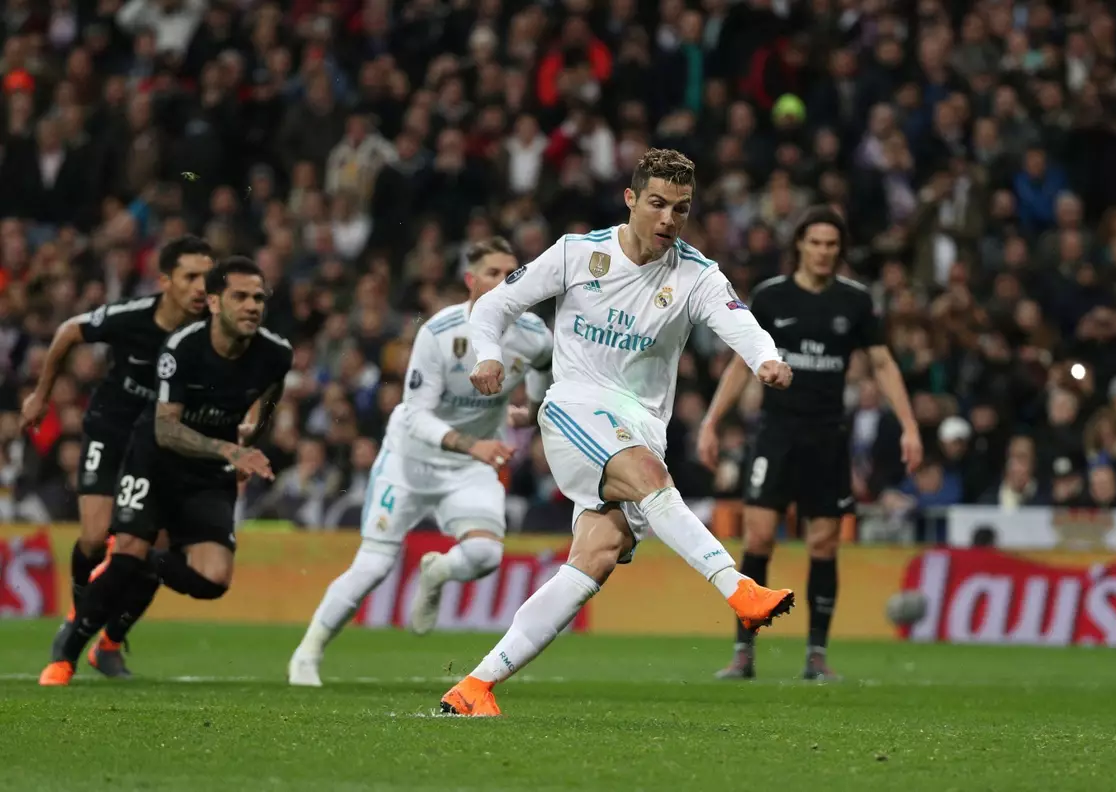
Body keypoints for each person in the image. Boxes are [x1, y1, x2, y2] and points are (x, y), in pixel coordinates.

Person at [438, 148, 796, 716]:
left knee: (598, 555)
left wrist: (766, 359)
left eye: (681, 209)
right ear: (630, 199)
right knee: (649, 476)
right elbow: (494, 306)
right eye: (656, 204)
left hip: (639, 425)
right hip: (574, 407)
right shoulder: (577, 254)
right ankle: (738, 587)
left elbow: (740, 320)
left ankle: (476, 685)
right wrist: (487, 356)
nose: (668, 220)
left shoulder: (696, 274)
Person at [287, 238, 554, 686]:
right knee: (373, 565)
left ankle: (437, 571)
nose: (502, 282)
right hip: (410, 461)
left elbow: (545, 363)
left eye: (512, 273)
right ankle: (308, 652)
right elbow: (413, 415)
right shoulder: (440, 332)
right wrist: (473, 445)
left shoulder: (532, 333)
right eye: (491, 272)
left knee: (486, 554)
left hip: (471, 464)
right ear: (470, 281)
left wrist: (534, 406)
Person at [41, 257, 293, 686]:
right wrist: (230, 449)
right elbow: (165, 428)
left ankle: (146, 565)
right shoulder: (182, 348)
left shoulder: (276, 353)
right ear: (214, 303)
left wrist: (247, 442)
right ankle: (65, 654)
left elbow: (269, 397)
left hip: (209, 473)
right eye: (240, 296)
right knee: (126, 555)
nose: (253, 306)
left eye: (258, 297)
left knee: (213, 580)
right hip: (154, 461)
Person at [698, 207, 922, 681]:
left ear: (839, 251)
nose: (823, 252)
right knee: (758, 537)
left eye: (831, 245)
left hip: (828, 437)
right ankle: (744, 651)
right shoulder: (771, 296)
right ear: (799, 244)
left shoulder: (855, 302)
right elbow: (742, 362)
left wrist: (909, 424)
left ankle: (817, 654)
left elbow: (882, 364)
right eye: (815, 242)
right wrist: (712, 421)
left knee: (823, 544)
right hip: (776, 434)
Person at [22, 235, 215, 679]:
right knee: (94, 535)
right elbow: (70, 330)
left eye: (209, 277)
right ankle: (80, 612)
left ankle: (107, 644)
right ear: (165, 280)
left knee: (156, 548)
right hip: (110, 433)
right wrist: (41, 395)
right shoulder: (133, 317)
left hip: (160, 448)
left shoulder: (207, 334)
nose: (202, 286)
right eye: (191, 276)